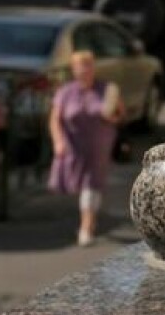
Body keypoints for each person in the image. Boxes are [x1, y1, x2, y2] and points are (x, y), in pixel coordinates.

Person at [48, 50, 124, 246]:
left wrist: (114, 115)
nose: (84, 71)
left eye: (88, 66)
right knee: (78, 185)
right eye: (80, 67)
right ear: (73, 70)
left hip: (98, 145)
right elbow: (55, 119)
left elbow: (119, 113)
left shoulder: (106, 88)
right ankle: (89, 220)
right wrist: (58, 141)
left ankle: (86, 227)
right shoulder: (65, 92)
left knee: (91, 185)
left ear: (93, 68)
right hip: (73, 146)